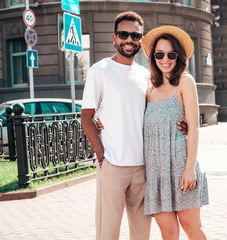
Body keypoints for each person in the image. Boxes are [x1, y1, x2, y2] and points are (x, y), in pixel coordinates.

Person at [81, 12, 187, 240]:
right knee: (107, 233)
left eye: (135, 35)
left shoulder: (147, 75)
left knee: (141, 234)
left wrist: (183, 124)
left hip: (143, 167)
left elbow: (160, 109)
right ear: (114, 37)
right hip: (113, 164)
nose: (129, 39)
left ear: (141, 40)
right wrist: (101, 156)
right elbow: (87, 116)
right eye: (123, 34)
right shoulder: (99, 71)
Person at [141, 26, 209, 240]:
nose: (165, 59)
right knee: (168, 232)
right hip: (156, 172)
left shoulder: (185, 81)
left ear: (178, 56)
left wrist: (190, 168)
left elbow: (194, 127)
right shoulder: (148, 89)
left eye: (171, 54)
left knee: (192, 227)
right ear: (153, 57)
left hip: (181, 167)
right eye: (160, 54)